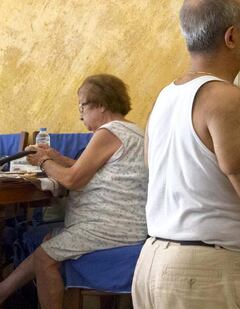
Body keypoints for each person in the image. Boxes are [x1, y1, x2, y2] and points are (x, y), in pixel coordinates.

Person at [132, 0, 240, 309]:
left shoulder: (166, 96)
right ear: (231, 37)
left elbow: (152, 163)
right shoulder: (224, 97)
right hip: (203, 272)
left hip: (153, 262)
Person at [0, 74, 147, 309]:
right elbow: (89, 171)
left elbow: (73, 180)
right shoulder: (133, 131)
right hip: (127, 224)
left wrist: (43, 163)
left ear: (101, 104)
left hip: (110, 227)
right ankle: (3, 291)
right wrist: (57, 158)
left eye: (82, 106)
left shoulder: (109, 132)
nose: (80, 114)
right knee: (49, 240)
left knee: (45, 258)